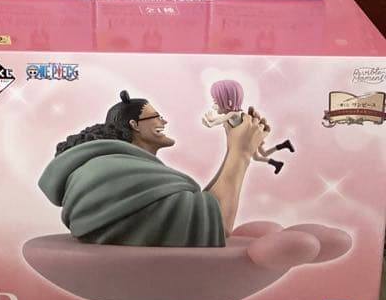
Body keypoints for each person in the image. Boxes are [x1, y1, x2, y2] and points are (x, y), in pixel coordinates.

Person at [39, 90, 271, 246]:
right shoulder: (115, 173)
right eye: (156, 117)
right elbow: (216, 224)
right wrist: (240, 153)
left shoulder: (120, 170)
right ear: (134, 125)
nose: (164, 121)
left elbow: (202, 207)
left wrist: (234, 146)